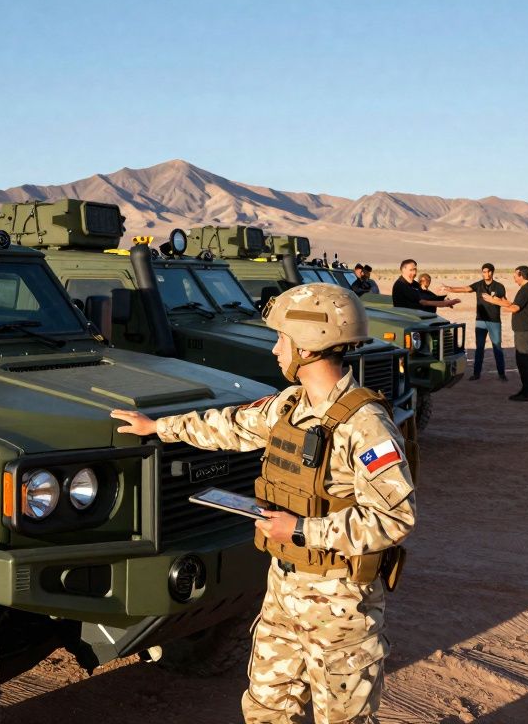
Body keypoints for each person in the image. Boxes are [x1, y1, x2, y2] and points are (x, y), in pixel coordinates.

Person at [111, 283, 415, 724]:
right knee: (265, 710)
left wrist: (299, 530)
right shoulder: (290, 406)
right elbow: (232, 425)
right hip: (283, 592)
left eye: (282, 339)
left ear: (309, 347)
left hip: (340, 605)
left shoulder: (365, 426)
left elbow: (394, 517)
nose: (275, 350)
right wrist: (159, 427)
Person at [440, 263, 507, 381]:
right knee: (479, 348)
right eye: (484, 272)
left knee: (497, 347)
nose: (486, 274)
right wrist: (450, 288)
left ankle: (501, 374)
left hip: (494, 321)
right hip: (480, 321)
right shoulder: (479, 285)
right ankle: (476, 374)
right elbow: (466, 289)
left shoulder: (499, 287)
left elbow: (504, 301)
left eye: (488, 271)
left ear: (492, 272)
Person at [480, 265, 528, 401]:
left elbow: (515, 308)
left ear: (521, 275)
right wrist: (502, 301)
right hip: (527, 330)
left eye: (515, 275)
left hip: (524, 331)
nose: (514, 278)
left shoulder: (525, 290)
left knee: (523, 361)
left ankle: (526, 393)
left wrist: (494, 301)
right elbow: (513, 304)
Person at [391, 259, 459, 312]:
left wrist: (443, 299)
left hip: (420, 317)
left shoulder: (413, 284)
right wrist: (444, 303)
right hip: (408, 319)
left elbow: (427, 294)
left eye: (415, 270)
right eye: (411, 270)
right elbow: (424, 302)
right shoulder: (401, 285)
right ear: (403, 270)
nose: (414, 273)